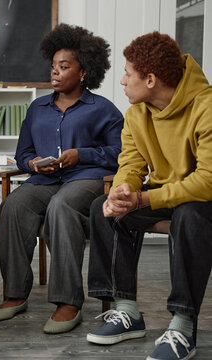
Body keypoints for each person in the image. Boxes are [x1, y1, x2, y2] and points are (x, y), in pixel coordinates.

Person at [86, 32, 212, 360]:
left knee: (189, 215)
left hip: (204, 198)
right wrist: (123, 191)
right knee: (105, 207)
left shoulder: (206, 106)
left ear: (151, 80)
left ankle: (183, 326)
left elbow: (207, 182)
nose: (123, 81)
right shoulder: (137, 113)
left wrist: (144, 200)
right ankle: (126, 311)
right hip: (167, 194)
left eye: (128, 74)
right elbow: (130, 164)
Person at [0, 23, 124, 334]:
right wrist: (33, 163)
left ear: (83, 72)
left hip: (87, 179)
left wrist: (83, 155)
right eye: (53, 66)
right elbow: (22, 153)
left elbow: (120, 154)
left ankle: (68, 301)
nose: (55, 72)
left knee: (61, 208)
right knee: (12, 206)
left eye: (63, 67)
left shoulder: (104, 109)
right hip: (45, 181)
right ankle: (15, 293)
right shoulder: (37, 108)